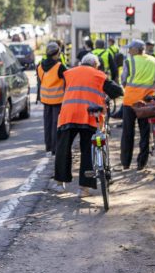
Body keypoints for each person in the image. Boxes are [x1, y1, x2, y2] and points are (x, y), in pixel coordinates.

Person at [51, 53, 123, 196]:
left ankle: (60, 184)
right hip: (89, 116)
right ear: (96, 65)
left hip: (68, 114)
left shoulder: (68, 73)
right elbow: (118, 91)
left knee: (63, 148)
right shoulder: (99, 75)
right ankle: (83, 188)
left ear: (81, 62)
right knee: (88, 150)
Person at [119, 39, 155, 170]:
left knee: (127, 132)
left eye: (130, 49)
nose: (129, 51)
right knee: (145, 133)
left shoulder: (129, 61)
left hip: (130, 102)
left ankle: (126, 162)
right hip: (147, 104)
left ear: (136, 50)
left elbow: (124, 80)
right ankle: (141, 163)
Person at [36, 42, 66, 155]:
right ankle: (55, 148)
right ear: (56, 53)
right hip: (57, 100)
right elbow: (68, 78)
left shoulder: (39, 66)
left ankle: (48, 146)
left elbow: (40, 80)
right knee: (55, 124)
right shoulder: (59, 66)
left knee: (47, 123)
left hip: (45, 99)